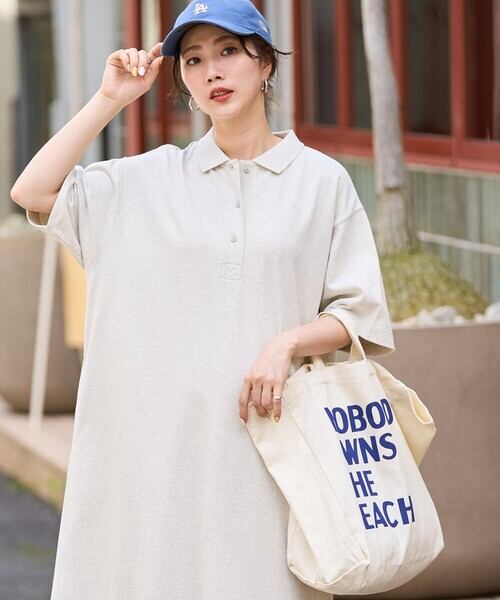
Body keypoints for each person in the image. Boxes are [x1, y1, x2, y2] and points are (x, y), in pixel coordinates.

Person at [10, 0, 395, 598]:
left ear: (265, 63)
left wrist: (286, 343)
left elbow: (359, 312)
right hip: (156, 458)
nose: (212, 70)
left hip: (267, 451)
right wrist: (109, 99)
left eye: (229, 51)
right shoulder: (145, 181)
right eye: (192, 60)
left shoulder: (321, 181)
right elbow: (32, 190)